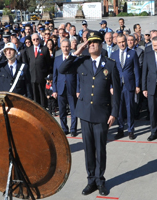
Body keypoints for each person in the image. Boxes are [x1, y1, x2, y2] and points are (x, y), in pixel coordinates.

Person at [58, 31, 120, 196]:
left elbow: (117, 92)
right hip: (85, 113)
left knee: (100, 149)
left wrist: (114, 113)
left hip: (102, 114)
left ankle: (100, 180)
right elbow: (62, 69)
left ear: (100, 45)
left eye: (94, 42)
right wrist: (77, 52)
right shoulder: (81, 62)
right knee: (88, 149)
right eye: (89, 42)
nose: (91, 44)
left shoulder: (110, 64)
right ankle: (91, 180)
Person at [111, 34, 140, 140]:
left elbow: (136, 70)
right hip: (118, 86)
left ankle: (131, 130)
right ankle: (120, 129)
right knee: (119, 109)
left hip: (129, 85)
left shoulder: (132, 53)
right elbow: (112, 72)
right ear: (117, 43)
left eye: (123, 41)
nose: (122, 44)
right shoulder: (113, 54)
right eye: (119, 42)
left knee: (130, 108)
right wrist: (111, 86)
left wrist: (137, 85)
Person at [52, 39, 78, 136]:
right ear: (61, 47)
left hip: (72, 87)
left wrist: (78, 89)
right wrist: (54, 90)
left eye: (67, 46)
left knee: (73, 110)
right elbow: (55, 76)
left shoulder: (74, 58)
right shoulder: (57, 59)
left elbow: (78, 76)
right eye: (64, 46)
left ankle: (73, 129)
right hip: (60, 88)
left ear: (70, 47)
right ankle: (64, 128)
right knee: (62, 111)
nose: (66, 48)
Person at [23, 33, 52, 108]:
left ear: (39, 39)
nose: (36, 40)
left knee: (42, 95)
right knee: (34, 96)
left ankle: (43, 108)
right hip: (32, 77)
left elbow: (48, 63)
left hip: (42, 77)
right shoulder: (28, 50)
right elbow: (27, 63)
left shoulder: (45, 49)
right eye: (34, 39)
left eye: (37, 39)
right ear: (32, 41)